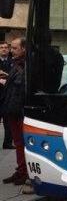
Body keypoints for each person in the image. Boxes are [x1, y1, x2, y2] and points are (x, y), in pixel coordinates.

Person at [1, 38, 32, 193]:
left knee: (23, 143)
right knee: (18, 143)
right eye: (11, 48)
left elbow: (22, 86)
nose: (11, 50)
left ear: (24, 49)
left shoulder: (27, 65)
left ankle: (25, 173)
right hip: (11, 110)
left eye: (14, 48)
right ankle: (20, 170)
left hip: (19, 111)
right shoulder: (16, 63)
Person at [0, 41, 14, 149]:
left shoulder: (13, 62)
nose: (4, 49)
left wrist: (6, 77)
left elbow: (16, 77)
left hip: (8, 96)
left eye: (5, 47)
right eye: (1, 47)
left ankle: (7, 143)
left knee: (8, 122)